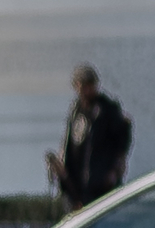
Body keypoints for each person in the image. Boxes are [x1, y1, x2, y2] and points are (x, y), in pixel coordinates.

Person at [46, 64, 132, 210]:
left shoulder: (107, 109)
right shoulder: (75, 111)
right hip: (77, 189)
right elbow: (70, 144)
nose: (86, 90)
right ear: (76, 87)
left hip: (101, 185)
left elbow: (122, 139)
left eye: (89, 85)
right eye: (82, 86)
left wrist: (115, 170)